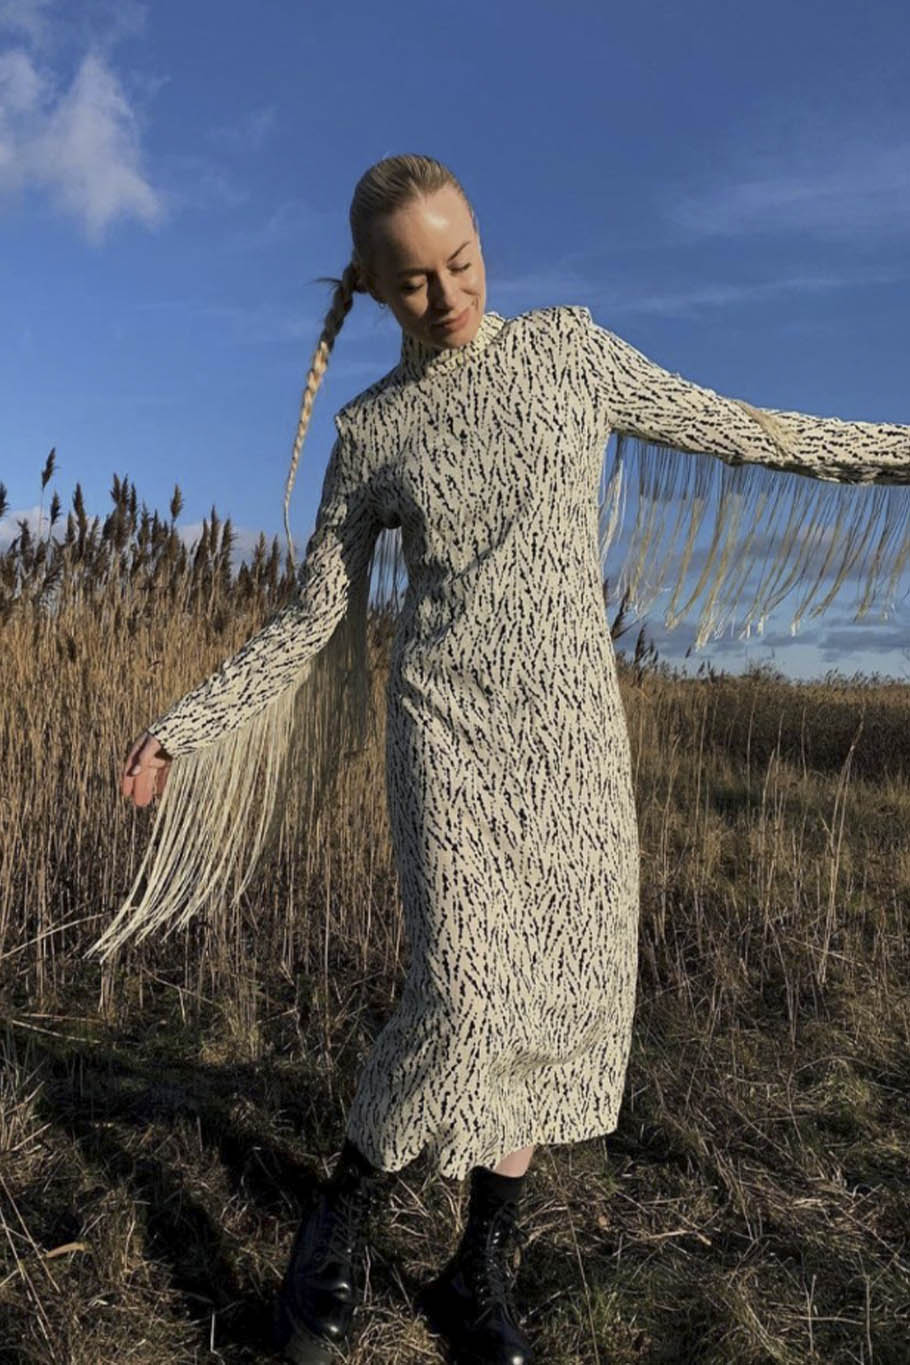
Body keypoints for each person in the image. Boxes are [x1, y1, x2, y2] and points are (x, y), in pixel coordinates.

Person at [99, 154, 910, 1364]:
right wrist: (186, 726)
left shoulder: (570, 354)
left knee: (552, 1007)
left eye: (462, 262)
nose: (447, 296)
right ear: (371, 285)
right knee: (466, 995)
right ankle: (340, 1217)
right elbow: (312, 618)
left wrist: (897, 450)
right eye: (413, 281)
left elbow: (744, 428)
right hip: (446, 737)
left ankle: (475, 1272)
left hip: (572, 741)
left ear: (483, 240)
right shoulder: (372, 431)